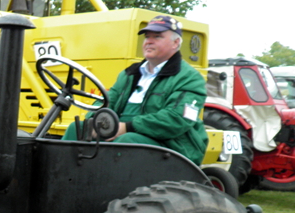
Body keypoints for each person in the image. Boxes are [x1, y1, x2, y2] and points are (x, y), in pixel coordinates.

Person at [63, 15, 208, 166]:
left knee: (128, 141)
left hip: (172, 146)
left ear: (175, 43)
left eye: (157, 36)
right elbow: (107, 101)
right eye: (147, 37)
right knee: (79, 129)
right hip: (125, 137)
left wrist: (127, 127)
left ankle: (104, 185)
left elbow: (177, 119)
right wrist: (95, 120)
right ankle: (60, 179)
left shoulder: (190, 78)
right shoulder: (129, 74)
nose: (149, 41)